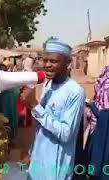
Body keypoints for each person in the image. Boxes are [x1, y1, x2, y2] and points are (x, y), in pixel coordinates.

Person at [20, 39, 85, 180]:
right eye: (45, 60)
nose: (47, 65)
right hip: (38, 160)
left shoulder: (75, 92)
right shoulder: (47, 85)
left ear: (67, 64)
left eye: (54, 61)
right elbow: (40, 128)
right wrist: (32, 152)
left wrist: (34, 106)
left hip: (55, 168)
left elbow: (66, 133)